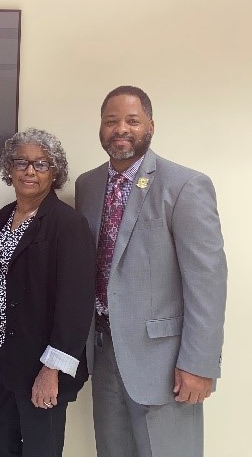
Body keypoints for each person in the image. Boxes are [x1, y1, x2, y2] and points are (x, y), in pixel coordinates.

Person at [75, 86, 228, 457]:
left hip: (165, 361)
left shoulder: (186, 185)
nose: (120, 129)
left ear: (151, 126)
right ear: (100, 127)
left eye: (132, 120)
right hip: (104, 350)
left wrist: (199, 364)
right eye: (111, 121)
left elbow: (207, 283)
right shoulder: (88, 185)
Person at [0, 128, 96, 457]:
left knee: (41, 450)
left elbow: (76, 304)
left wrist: (51, 370)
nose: (30, 171)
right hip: (7, 360)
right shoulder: (5, 216)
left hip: (42, 365)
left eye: (42, 164)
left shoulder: (67, 224)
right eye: (21, 162)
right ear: (9, 168)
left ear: (56, 172)